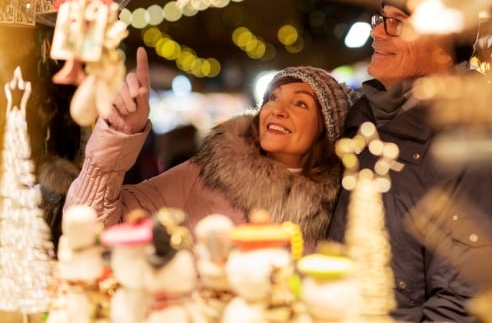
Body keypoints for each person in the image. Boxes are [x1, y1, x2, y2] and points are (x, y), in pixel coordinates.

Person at [327, 0, 492, 322]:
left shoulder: (474, 137)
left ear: (446, 46)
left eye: (397, 22)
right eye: (380, 19)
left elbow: (466, 300)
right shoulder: (364, 121)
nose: (376, 32)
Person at [64, 47, 357, 250]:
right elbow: (91, 226)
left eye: (300, 103)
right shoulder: (206, 175)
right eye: (273, 98)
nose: (277, 110)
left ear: (326, 129)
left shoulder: (339, 208)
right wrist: (119, 133)